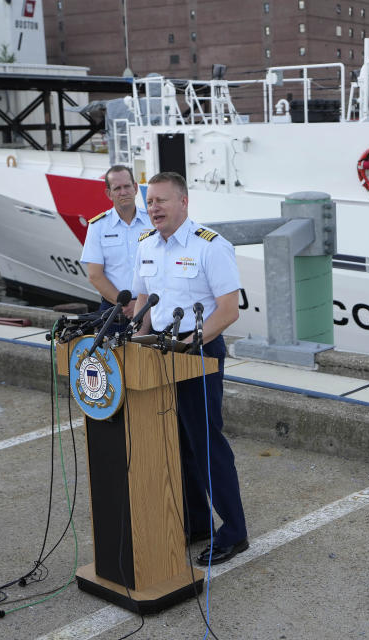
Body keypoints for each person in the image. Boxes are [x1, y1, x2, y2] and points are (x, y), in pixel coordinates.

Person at [131, 171, 248, 566]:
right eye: (149, 202)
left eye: (162, 200)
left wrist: (187, 344)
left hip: (198, 351)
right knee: (177, 445)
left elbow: (228, 311)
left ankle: (234, 531)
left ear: (183, 203)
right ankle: (198, 523)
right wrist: (136, 342)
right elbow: (144, 298)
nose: (153, 208)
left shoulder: (210, 247)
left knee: (207, 445)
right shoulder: (146, 243)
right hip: (158, 352)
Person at [81, 165, 151, 322]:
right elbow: (95, 275)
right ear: (109, 193)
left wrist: (140, 304)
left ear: (135, 188)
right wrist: (126, 305)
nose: (123, 192)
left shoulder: (153, 221)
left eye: (127, 186)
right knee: (110, 348)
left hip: (151, 307)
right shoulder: (98, 226)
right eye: (117, 188)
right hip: (114, 309)